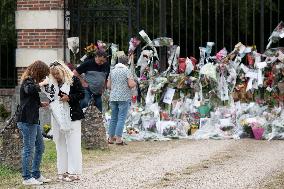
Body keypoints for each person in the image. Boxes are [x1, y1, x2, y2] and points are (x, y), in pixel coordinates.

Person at [41, 61, 84, 182]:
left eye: (57, 73)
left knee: (73, 144)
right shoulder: (51, 84)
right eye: (53, 74)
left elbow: (82, 94)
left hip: (73, 115)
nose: (56, 76)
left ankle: (74, 172)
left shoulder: (73, 80)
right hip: (58, 117)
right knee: (59, 143)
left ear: (63, 71)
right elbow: (51, 97)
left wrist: (69, 98)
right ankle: (62, 170)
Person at [17, 60, 51, 185]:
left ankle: (36, 174)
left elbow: (29, 98)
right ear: (39, 71)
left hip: (33, 121)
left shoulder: (31, 81)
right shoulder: (28, 80)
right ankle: (26, 178)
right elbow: (29, 90)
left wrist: (40, 104)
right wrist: (42, 83)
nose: (43, 77)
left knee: (40, 147)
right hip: (27, 121)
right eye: (43, 75)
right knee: (28, 149)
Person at [107, 55, 136, 145]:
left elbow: (108, 86)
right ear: (126, 62)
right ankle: (119, 139)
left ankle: (111, 138)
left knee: (113, 118)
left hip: (113, 97)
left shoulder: (112, 71)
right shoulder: (127, 70)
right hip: (123, 97)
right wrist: (135, 82)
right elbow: (131, 84)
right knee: (121, 118)